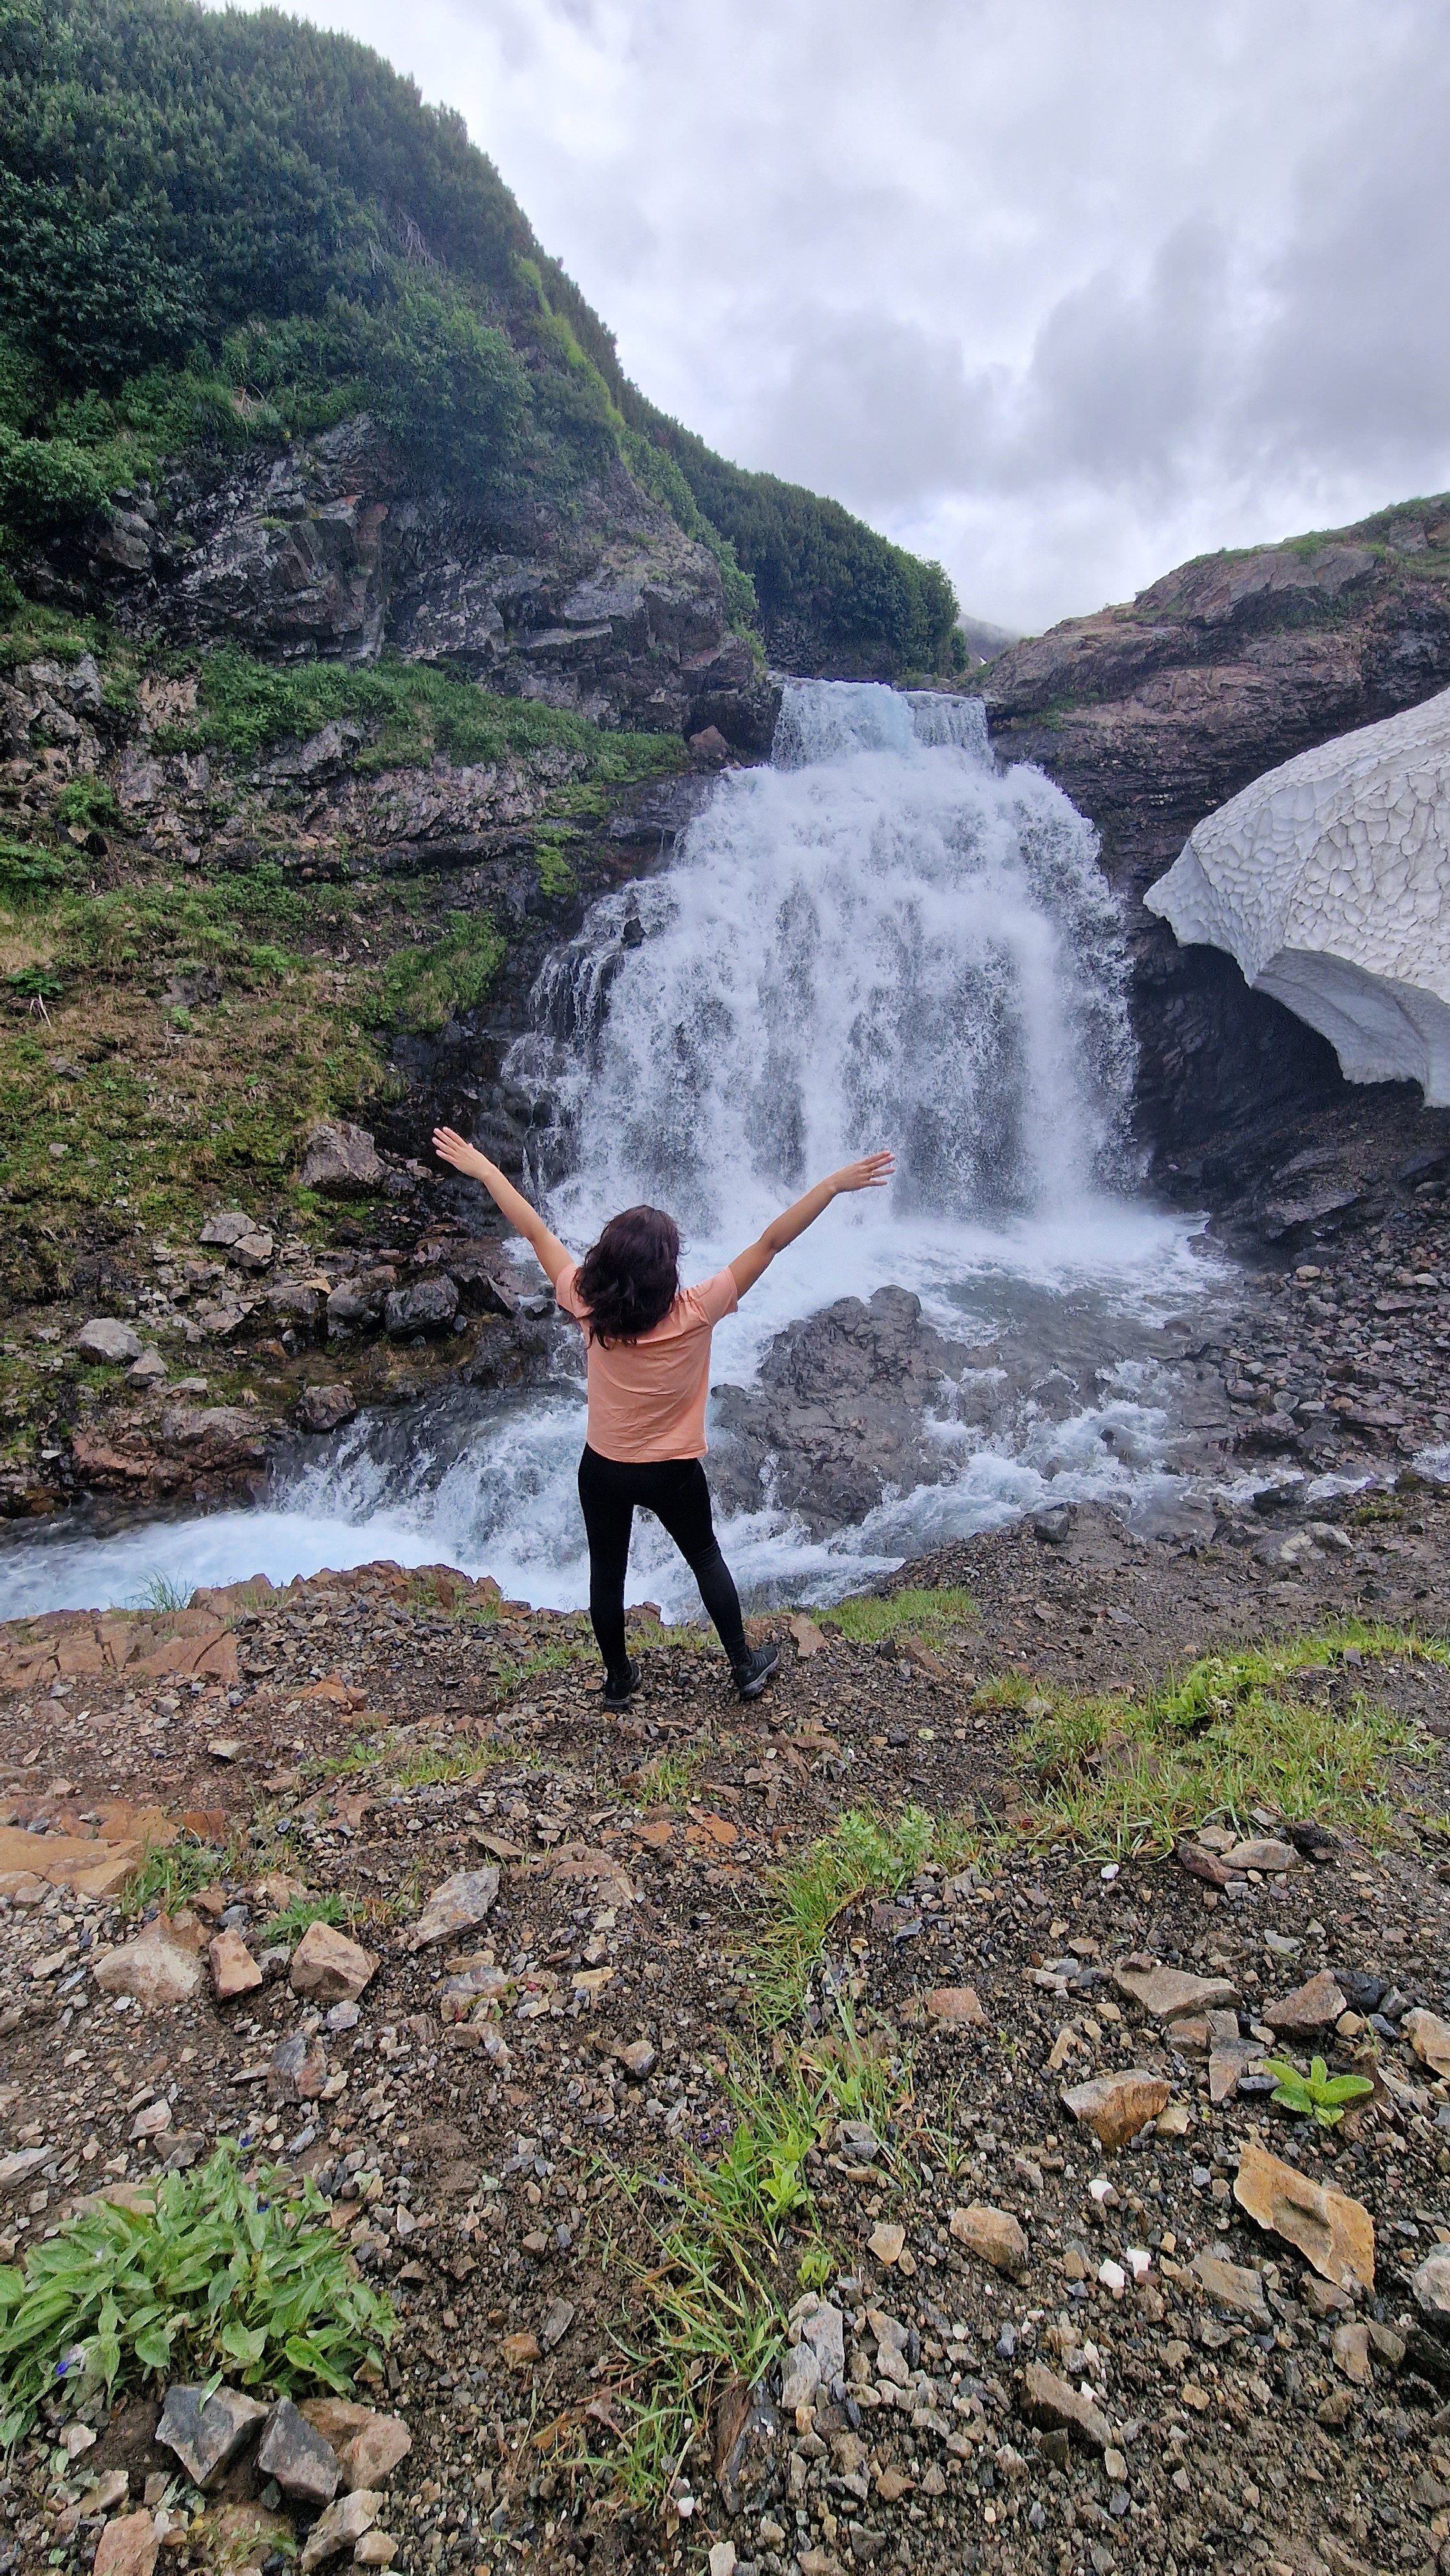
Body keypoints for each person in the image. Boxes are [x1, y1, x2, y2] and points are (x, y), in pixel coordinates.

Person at [431, 1126, 894, 1707]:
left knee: (607, 1574)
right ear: (668, 1271)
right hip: (672, 1470)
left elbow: (534, 1230)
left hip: (604, 1467)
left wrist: (486, 1171)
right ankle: (744, 1665)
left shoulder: (585, 1302)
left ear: (607, 1263)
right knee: (705, 1557)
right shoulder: (698, 1310)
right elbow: (772, 1242)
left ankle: (619, 1680)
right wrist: (831, 1185)